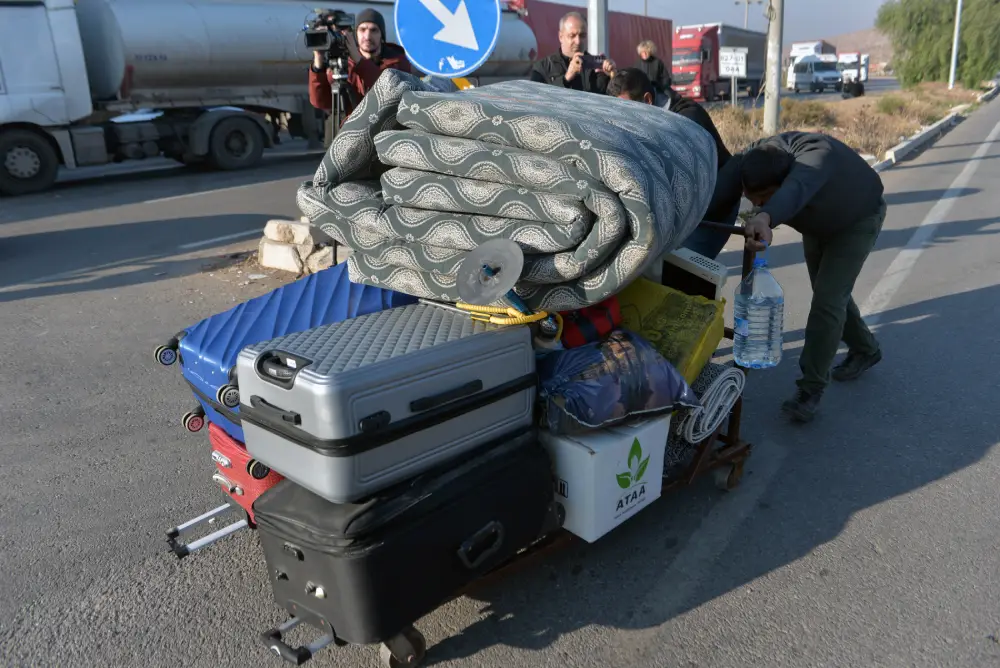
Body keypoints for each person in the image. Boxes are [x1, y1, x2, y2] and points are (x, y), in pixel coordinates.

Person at [707, 132, 887, 423]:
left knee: (828, 300)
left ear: (782, 184)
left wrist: (765, 217)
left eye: (764, 199)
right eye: (752, 199)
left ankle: (811, 389)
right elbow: (721, 187)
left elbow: (796, 189)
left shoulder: (816, 158)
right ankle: (866, 349)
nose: (757, 203)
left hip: (857, 219)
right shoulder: (756, 157)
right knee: (830, 294)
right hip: (817, 224)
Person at [606, 68, 737, 260]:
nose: (622, 119)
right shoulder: (646, 117)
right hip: (683, 205)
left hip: (714, 204)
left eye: (626, 111)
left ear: (648, 100)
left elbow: (677, 180)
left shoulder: (686, 121)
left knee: (686, 271)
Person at [308, 9, 411, 127]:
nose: (367, 36)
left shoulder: (397, 61)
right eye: (362, 30)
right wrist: (318, 61)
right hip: (350, 133)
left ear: (382, 35)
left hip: (385, 131)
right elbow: (321, 102)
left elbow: (388, 92)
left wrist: (358, 60)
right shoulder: (345, 63)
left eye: (373, 30)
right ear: (355, 33)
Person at [529, 11, 616, 94]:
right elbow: (536, 100)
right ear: (561, 37)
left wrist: (613, 77)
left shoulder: (597, 67)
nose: (578, 41)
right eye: (572, 36)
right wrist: (566, 79)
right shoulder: (542, 68)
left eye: (582, 35)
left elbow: (615, 101)